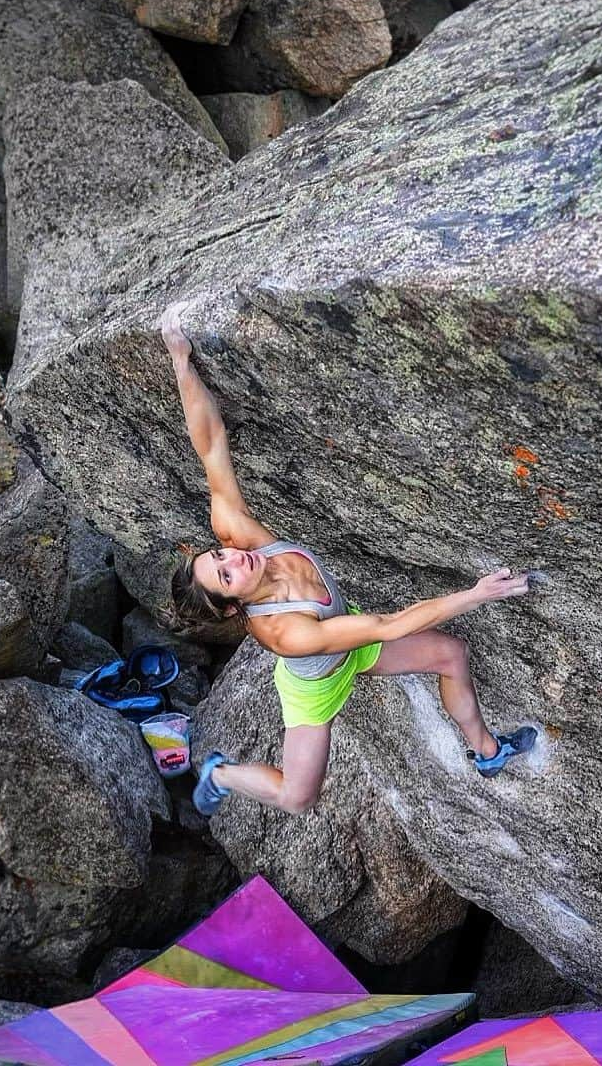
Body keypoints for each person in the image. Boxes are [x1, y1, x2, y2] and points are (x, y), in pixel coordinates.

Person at [157, 301, 537, 816]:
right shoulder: (286, 633)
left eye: (220, 555)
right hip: (317, 678)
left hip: (348, 637)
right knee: (299, 797)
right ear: (231, 608)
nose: (235, 559)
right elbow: (386, 625)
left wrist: (181, 361)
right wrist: (475, 594)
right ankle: (220, 773)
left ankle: (487, 753)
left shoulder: (243, 538)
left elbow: (210, 445)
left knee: (451, 654)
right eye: (225, 575)